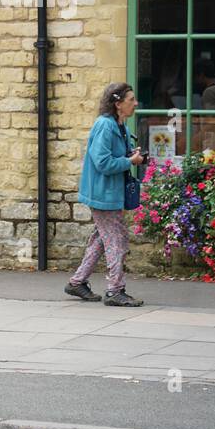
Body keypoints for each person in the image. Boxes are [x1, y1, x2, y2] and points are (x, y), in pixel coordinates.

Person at [66, 82, 145, 307]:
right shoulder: (105, 125)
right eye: (131, 100)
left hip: (111, 193)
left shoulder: (121, 126)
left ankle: (77, 282)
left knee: (102, 239)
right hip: (102, 194)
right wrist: (130, 161)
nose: (136, 103)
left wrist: (132, 154)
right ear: (118, 104)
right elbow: (102, 162)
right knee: (117, 240)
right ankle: (115, 291)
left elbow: (114, 155)